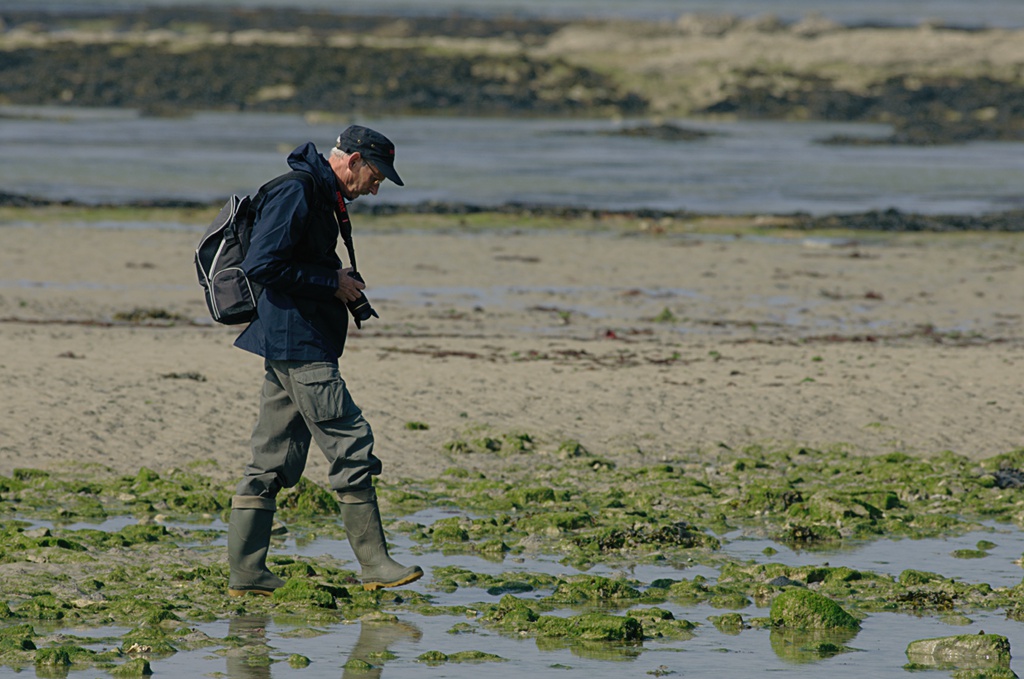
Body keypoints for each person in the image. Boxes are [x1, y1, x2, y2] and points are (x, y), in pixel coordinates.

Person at [226, 125, 423, 596]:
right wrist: (330, 282)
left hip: (291, 341)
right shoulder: (299, 191)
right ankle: (375, 565)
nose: (376, 188)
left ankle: (247, 575)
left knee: (269, 461)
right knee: (350, 444)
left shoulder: (317, 193)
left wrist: (332, 275)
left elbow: (286, 259)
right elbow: (261, 264)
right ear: (353, 161)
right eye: (375, 176)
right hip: (299, 343)